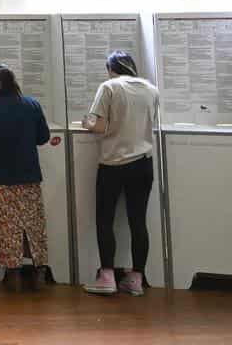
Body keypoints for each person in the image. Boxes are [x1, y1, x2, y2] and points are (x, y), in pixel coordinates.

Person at [82, 51, 159, 297]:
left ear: (111, 69)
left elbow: (101, 126)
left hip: (113, 163)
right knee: (138, 222)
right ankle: (136, 280)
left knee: (105, 220)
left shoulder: (109, 87)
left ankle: (107, 278)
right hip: (143, 164)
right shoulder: (151, 89)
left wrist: (87, 123)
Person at [0, 63, 50, 292]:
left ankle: (13, 274)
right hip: (28, 176)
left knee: (6, 227)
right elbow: (43, 137)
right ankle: (39, 271)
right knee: (32, 225)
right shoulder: (32, 105)